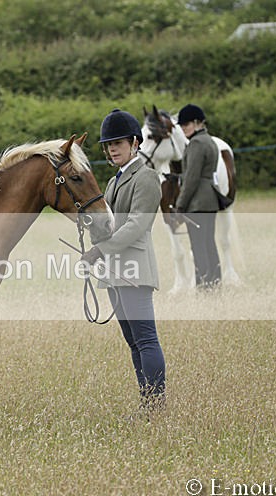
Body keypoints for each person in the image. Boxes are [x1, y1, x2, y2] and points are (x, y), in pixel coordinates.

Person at [81, 109, 166, 416]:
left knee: (145, 340)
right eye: (108, 144)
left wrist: (100, 251)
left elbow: (136, 225)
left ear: (134, 142)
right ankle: (147, 402)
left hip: (135, 270)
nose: (112, 149)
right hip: (115, 273)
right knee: (133, 342)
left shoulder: (145, 177)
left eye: (117, 142)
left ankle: (156, 406)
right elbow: (109, 223)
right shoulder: (114, 181)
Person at [174, 104, 221, 289]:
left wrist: (180, 205)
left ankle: (204, 287)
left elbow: (191, 178)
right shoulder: (210, 141)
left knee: (199, 247)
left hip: (197, 203)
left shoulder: (196, 144)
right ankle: (215, 283)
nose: (183, 128)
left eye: (186, 124)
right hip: (211, 200)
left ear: (196, 122)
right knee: (209, 244)